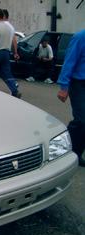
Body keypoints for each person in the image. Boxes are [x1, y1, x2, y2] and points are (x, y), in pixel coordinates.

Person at [57, 29, 85, 167]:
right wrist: (64, 86)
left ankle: (77, 152)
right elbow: (69, 61)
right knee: (81, 120)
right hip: (79, 84)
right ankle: (69, 149)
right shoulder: (80, 37)